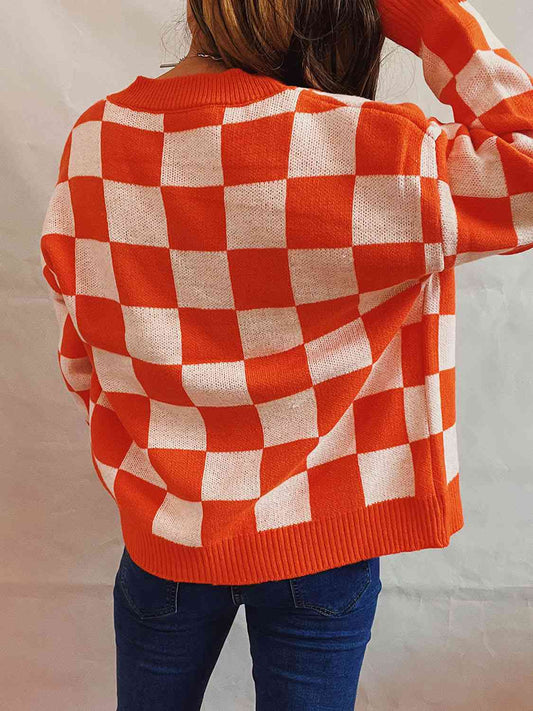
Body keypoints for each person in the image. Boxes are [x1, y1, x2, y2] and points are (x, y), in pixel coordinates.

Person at [38, 0, 533, 708]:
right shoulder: (364, 147)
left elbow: (79, 347)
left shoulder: (94, 140)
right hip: (326, 536)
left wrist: (152, 455)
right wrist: (427, 14)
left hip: (163, 529)